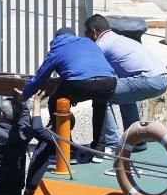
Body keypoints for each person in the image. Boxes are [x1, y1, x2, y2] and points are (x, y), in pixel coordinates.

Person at [20, 26, 118, 163]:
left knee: (55, 101)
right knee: (100, 106)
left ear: (56, 39)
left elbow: (40, 77)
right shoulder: (89, 43)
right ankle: (99, 152)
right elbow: (89, 66)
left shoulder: (57, 48)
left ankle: (68, 151)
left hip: (81, 84)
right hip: (109, 82)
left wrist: (24, 94)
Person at [84, 14, 167, 153]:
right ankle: (136, 141)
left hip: (149, 79)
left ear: (93, 32)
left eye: (86, 34)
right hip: (163, 78)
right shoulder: (119, 39)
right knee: (125, 96)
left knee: (101, 94)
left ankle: (111, 143)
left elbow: (85, 68)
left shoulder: (102, 44)